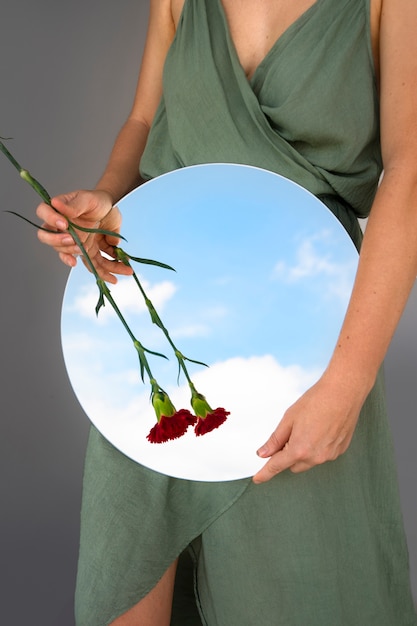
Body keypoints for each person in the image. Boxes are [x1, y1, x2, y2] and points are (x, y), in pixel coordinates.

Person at [36, 0, 417, 624]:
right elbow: (142, 119)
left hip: (306, 337)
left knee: (296, 593)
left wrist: (349, 379)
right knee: (127, 587)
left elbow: (411, 170)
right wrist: (107, 196)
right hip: (163, 330)